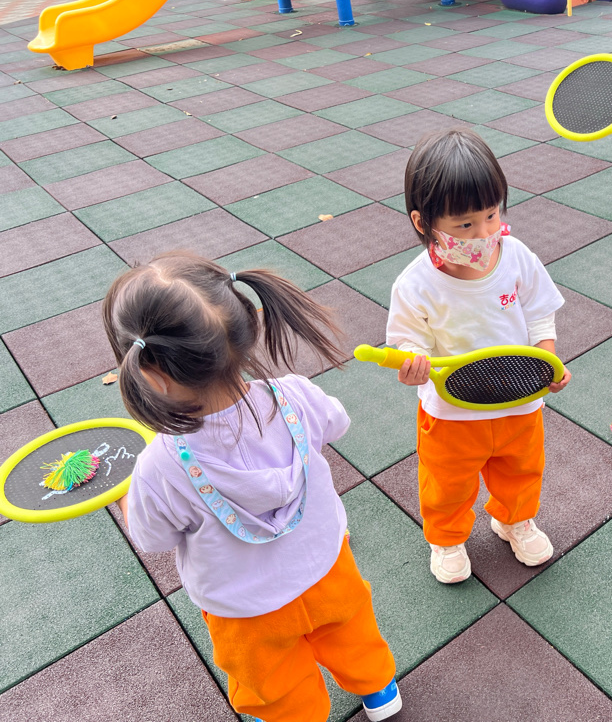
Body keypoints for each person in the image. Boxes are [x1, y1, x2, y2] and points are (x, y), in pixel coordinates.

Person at [104, 252, 401, 722]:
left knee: (273, 685)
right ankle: (379, 690)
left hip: (244, 609)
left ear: (150, 372)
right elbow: (337, 422)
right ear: (247, 327)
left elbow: (153, 537)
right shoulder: (296, 394)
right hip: (326, 567)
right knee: (352, 634)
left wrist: (125, 499)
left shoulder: (158, 467)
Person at [386, 129, 571, 584]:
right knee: (447, 482)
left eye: (491, 215)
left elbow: (540, 313)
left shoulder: (516, 257)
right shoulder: (415, 284)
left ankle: (515, 520)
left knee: (522, 469)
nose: (485, 233)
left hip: (518, 401)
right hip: (452, 412)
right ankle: (447, 539)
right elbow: (408, 341)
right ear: (423, 223)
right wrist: (412, 363)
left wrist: (547, 359)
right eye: (465, 225)